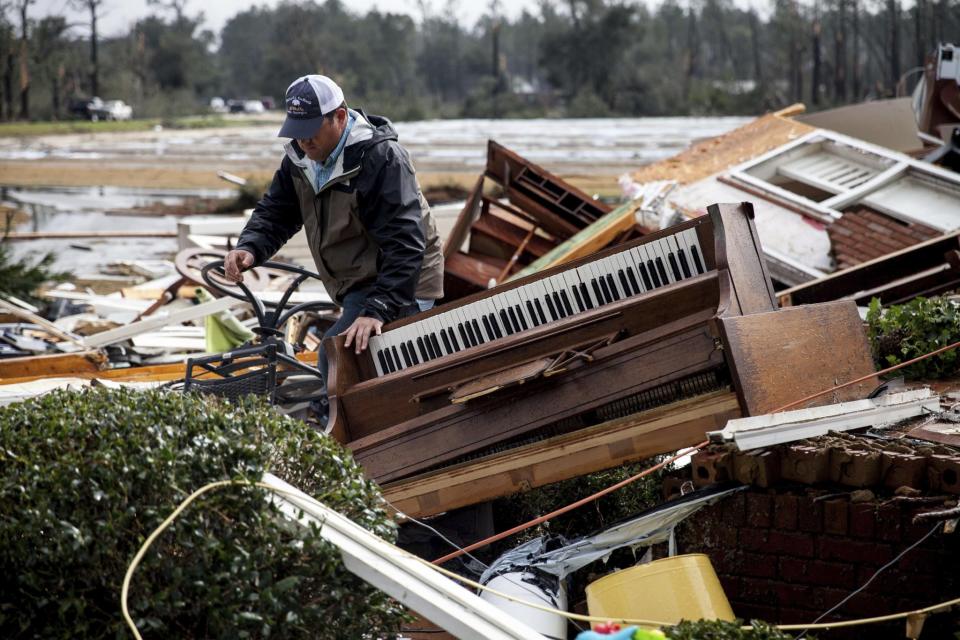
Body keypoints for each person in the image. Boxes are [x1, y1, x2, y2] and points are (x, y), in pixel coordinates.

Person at [223, 74, 443, 392]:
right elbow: (276, 212)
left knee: (339, 354)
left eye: (311, 132)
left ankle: (363, 436)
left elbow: (406, 244)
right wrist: (251, 247)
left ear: (339, 117)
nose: (304, 142)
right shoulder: (300, 161)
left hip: (405, 279)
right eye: (297, 133)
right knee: (345, 357)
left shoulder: (382, 160)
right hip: (358, 277)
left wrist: (378, 310)